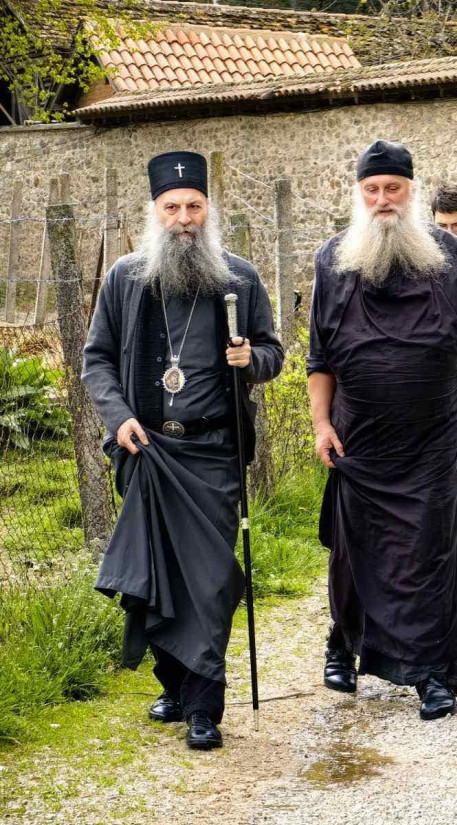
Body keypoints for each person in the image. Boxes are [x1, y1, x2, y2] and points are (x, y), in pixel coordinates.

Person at [83, 151, 284, 750]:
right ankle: (173, 686)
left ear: (208, 210)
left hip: (213, 453)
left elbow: (274, 352)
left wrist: (252, 359)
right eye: (171, 207)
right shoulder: (125, 278)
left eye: (194, 206)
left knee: (209, 582)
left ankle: (204, 707)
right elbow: (97, 359)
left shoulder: (239, 278)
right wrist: (118, 418)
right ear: (155, 212)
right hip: (147, 450)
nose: (184, 218)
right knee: (160, 575)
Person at [308, 140, 457, 721]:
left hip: (436, 437)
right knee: (355, 554)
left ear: (412, 191)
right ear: (359, 193)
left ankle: (431, 673)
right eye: (372, 189)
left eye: (393, 188)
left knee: (429, 555)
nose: (383, 199)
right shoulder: (332, 258)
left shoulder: (450, 256)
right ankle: (343, 642)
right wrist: (320, 423)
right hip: (359, 437)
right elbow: (320, 356)